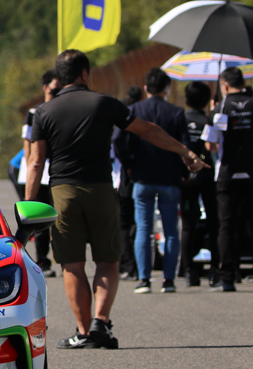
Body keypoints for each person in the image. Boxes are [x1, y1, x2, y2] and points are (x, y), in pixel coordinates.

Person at [27, 50, 206, 349]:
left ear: (59, 77)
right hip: (100, 188)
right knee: (108, 260)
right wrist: (185, 152)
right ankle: (101, 321)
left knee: (71, 264)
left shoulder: (44, 112)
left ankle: (83, 332)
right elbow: (147, 131)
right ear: (84, 73)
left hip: (63, 192)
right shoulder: (104, 103)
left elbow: (35, 162)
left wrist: (29, 208)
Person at [113, 68, 188, 294]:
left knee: (143, 228)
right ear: (167, 88)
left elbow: (118, 140)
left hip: (141, 177)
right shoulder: (176, 112)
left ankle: (144, 279)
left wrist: (128, 163)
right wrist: (185, 171)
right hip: (170, 178)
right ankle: (169, 280)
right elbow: (185, 146)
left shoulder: (134, 110)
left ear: (146, 88)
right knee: (171, 231)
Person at [201, 67, 253, 293]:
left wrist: (212, 114)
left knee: (227, 226)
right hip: (251, 173)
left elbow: (211, 146)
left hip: (227, 175)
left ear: (224, 85)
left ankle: (228, 277)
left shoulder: (220, 108)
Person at [19, 69, 62, 277]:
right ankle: (43, 259)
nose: (57, 92)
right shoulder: (34, 113)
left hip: (59, 171)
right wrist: (29, 171)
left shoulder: (62, 109)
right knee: (42, 218)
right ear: (45, 88)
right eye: (54, 88)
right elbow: (28, 144)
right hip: (40, 172)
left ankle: (63, 257)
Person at [180, 81, 219, 287]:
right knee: (214, 223)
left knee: (188, 225)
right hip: (208, 176)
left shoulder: (181, 119)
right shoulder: (209, 120)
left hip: (186, 178)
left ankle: (189, 272)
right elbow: (209, 147)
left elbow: (178, 147)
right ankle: (214, 270)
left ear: (186, 99)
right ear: (206, 101)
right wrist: (201, 159)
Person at [116, 87, 144, 281]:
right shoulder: (140, 120)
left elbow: (117, 142)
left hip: (122, 179)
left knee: (124, 224)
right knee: (138, 223)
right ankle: (135, 265)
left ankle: (128, 265)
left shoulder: (118, 124)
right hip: (138, 175)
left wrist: (126, 164)